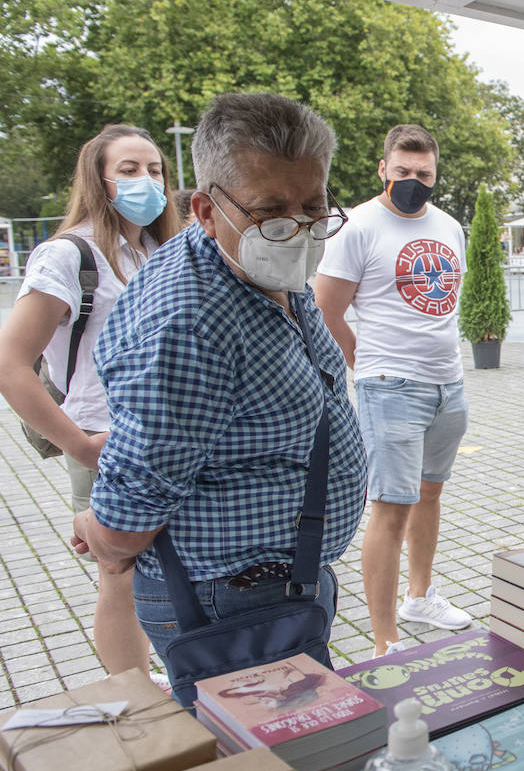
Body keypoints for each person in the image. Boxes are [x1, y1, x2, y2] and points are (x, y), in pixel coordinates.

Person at [70, 92, 368, 687]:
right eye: (272, 211)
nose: (301, 230)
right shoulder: (190, 321)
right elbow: (129, 518)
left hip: (272, 589)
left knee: (295, 754)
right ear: (207, 210)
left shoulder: (262, 263)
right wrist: (98, 531)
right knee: (264, 769)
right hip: (228, 602)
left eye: (314, 206)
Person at [0, 124, 181, 681]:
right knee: (119, 572)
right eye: (129, 170)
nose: (146, 181)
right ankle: (136, 703)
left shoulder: (163, 249)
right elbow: (10, 364)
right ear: (98, 180)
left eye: (155, 170)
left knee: (179, 571)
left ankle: (184, 683)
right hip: (109, 442)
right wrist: (80, 445)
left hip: (176, 439)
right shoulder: (67, 256)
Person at [315, 124, 473, 657]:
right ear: (383, 169)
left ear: (436, 173)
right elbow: (325, 309)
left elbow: (446, 301)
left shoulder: (449, 226)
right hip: (391, 388)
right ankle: (385, 640)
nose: (413, 181)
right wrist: (366, 364)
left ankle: (420, 596)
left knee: (430, 494)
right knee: (390, 507)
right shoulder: (357, 226)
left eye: (423, 173)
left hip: (448, 384)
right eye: (402, 172)